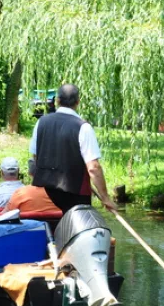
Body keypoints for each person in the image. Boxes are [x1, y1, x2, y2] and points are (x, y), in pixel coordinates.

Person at [30, 83, 117, 213]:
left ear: (57, 100)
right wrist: (105, 198)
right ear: (78, 102)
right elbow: (93, 167)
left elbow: (36, 156)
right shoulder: (83, 127)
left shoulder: (40, 122)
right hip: (76, 194)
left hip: (48, 192)